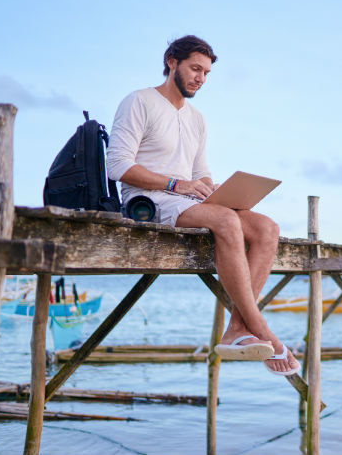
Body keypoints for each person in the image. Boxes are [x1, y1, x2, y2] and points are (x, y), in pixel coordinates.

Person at [106, 35, 300, 376]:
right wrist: (175, 183)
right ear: (171, 62)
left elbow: (199, 174)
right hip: (149, 200)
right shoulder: (139, 101)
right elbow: (118, 166)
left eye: (207, 73)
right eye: (195, 68)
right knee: (226, 221)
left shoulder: (198, 119)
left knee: (267, 227)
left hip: (187, 199)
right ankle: (262, 329)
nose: (201, 78)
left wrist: (215, 188)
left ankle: (238, 328)